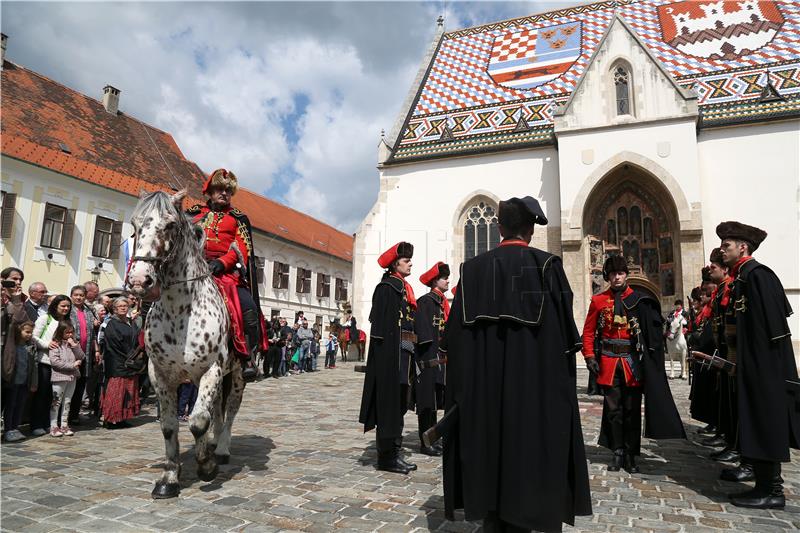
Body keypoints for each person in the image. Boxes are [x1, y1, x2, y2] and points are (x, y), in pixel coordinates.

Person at [440, 197, 591, 532]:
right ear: (531, 229)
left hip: (482, 393)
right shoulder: (546, 266)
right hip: (531, 391)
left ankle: (492, 514)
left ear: (499, 228)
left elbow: (451, 339)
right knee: (526, 453)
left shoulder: (472, 270)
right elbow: (568, 338)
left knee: (489, 451)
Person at [715, 221, 800, 509]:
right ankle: (763, 485)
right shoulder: (742, 278)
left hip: (765, 367)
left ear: (743, 247)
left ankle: (772, 490)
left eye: (727, 246)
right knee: (755, 422)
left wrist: (767, 370)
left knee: (766, 423)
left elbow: (775, 330)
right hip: (753, 365)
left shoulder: (758, 276)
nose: (722, 251)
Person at [582, 255, 685, 474]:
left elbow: (652, 333)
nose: (617, 278)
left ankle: (631, 453)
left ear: (625, 275)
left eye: (620, 274)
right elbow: (589, 331)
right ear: (608, 277)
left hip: (632, 363)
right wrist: (590, 356)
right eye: (612, 274)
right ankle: (617, 451)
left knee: (631, 410)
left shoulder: (640, 300)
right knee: (614, 411)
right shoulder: (599, 301)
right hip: (609, 362)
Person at [187, 168, 268, 381]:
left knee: (247, 306)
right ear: (210, 192)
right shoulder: (194, 214)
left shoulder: (238, 218)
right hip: (194, 269)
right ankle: (143, 348)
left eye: (228, 191)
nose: (224, 194)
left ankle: (246, 357)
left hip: (225, 274)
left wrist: (221, 263)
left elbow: (242, 249)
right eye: (219, 189)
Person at [359, 241, 417, 475]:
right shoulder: (386, 289)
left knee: (399, 405)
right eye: (406, 260)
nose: (410, 263)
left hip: (404, 355)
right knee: (388, 406)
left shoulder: (403, 288)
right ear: (395, 264)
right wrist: (386, 362)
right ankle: (387, 457)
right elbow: (381, 331)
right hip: (390, 358)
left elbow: (407, 324)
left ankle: (395, 449)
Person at [413, 261, 450, 457]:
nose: (447, 281)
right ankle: (425, 443)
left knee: (435, 402)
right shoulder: (426, 302)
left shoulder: (440, 303)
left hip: (438, 361)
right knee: (427, 403)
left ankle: (433, 438)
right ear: (435, 281)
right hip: (427, 361)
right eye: (444, 278)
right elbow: (425, 335)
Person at [31, 295, 72, 436]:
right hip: (45, 362)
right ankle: (36, 424)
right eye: (63, 306)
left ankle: (50, 424)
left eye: (68, 306)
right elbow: (33, 336)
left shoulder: (67, 321)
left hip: (60, 365)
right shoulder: (45, 319)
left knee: (53, 396)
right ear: (55, 306)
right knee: (42, 394)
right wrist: (46, 344)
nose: (66, 308)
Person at [100, 297, 141, 429]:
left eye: (125, 305)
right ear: (114, 309)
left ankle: (123, 417)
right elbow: (113, 344)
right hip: (117, 361)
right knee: (116, 390)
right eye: (120, 306)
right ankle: (111, 419)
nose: (123, 307)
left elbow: (136, 339)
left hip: (131, 361)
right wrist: (127, 357)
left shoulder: (131, 322)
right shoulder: (112, 323)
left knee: (128, 391)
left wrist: (135, 356)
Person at [48, 321, 85, 437]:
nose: (69, 335)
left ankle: (64, 424)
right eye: (67, 333)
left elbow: (81, 356)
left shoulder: (73, 344)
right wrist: (72, 365)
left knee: (67, 401)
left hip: (72, 377)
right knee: (56, 402)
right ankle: (53, 425)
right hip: (59, 377)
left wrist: (74, 345)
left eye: (71, 332)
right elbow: (55, 362)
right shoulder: (56, 345)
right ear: (60, 332)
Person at [2, 321, 37, 442]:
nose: (29, 335)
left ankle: (15, 428)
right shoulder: (12, 347)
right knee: (10, 405)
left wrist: (33, 382)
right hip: (13, 382)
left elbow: (33, 367)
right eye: (27, 332)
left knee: (20, 405)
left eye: (31, 332)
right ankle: (8, 429)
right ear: (19, 331)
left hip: (24, 382)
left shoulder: (30, 347)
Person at [68, 285, 97, 426]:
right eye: (76, 295)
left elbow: (94, 334)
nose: (79, 297)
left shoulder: (88, 311)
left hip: (86, 353)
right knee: (69, 385)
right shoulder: (68, 309)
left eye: (81, 295)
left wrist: (96, 350)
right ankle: (63, 415)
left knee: (80, 386)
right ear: (71, 295)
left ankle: (74, 414)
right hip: (70, 353)